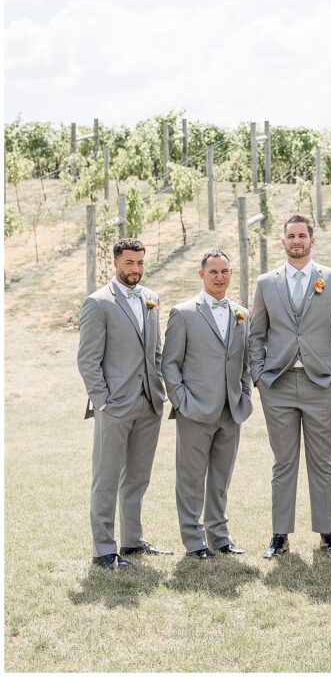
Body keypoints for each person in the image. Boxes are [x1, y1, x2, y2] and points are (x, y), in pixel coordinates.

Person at [249, 214, 331, 559]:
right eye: (291, 236)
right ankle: (280, 534)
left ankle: (327, 532)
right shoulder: (266, 282)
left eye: (302, 236)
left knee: (322, 460)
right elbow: (257, 334)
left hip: (321, 383)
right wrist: (260, 377)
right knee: (283, 461)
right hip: (277, 384)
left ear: (312, 240)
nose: (296, 241)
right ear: (283, 241)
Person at [78, 239, 169, 569]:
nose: (136, 269)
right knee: (106, 478)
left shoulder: (151, 299)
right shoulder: (98, 303)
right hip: (115, 406)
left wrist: (161, 390)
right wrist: (103, 402)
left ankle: (132, 541)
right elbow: (88, 360)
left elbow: (155, 352)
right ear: (116, 263)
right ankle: (104, 550)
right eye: (130, 263)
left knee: (137, 478)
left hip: (149, 403)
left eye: (140, 263)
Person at [162, 249, 252, 560]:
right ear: (202, 274)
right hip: (195, 411)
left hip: (231, 410)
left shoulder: (242, 313)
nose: (219, 277)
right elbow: (169, 364)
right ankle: (194, 541)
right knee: (190, 478)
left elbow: (244, 363)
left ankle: (220, 537)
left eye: (224, 271)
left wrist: (245, 394)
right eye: (213, 272)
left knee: (220, 479)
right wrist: (181, 402)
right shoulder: (183, 313)